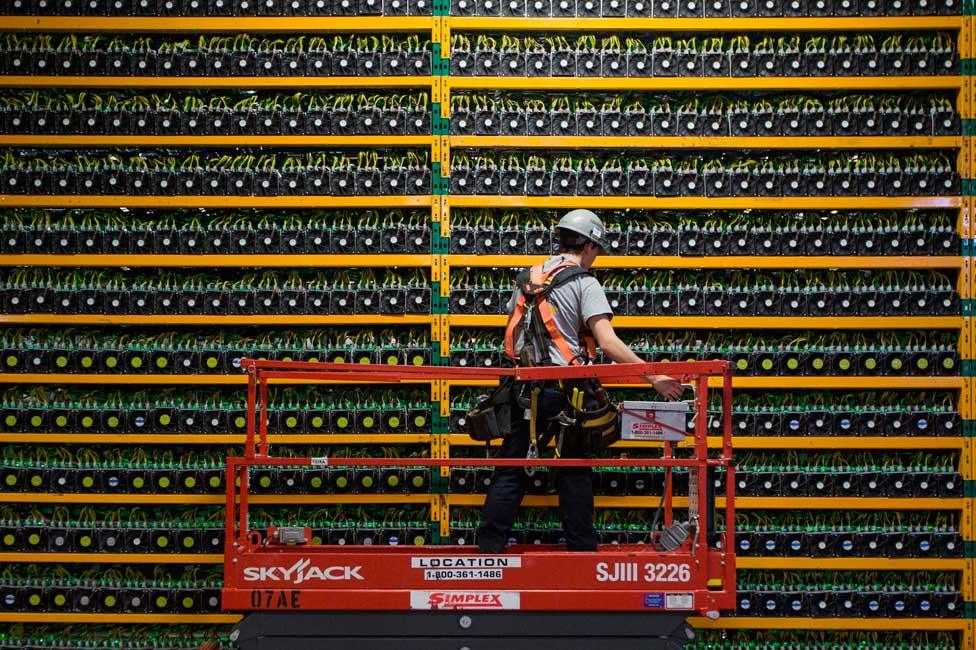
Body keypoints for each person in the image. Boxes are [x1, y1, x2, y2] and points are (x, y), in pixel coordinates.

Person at [477, 209, 684, 553]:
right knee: (574, 469)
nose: (596, 255)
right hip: (564, 392)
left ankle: (489, 549)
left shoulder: (528, 278)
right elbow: (608, 342)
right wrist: (655, 377)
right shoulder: (584, 283)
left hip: (522, 388)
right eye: (597, 248)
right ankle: (582, 551)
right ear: (588, 244)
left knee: (511, 467)